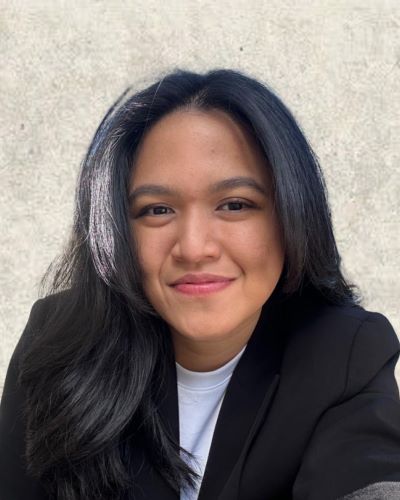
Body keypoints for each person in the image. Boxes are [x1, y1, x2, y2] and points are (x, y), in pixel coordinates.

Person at [0, 69, 399, 500]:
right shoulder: (59, 338)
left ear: (292, 215)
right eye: (157, 210)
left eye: (235, 205)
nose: (193, 248)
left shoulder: (344, 352)